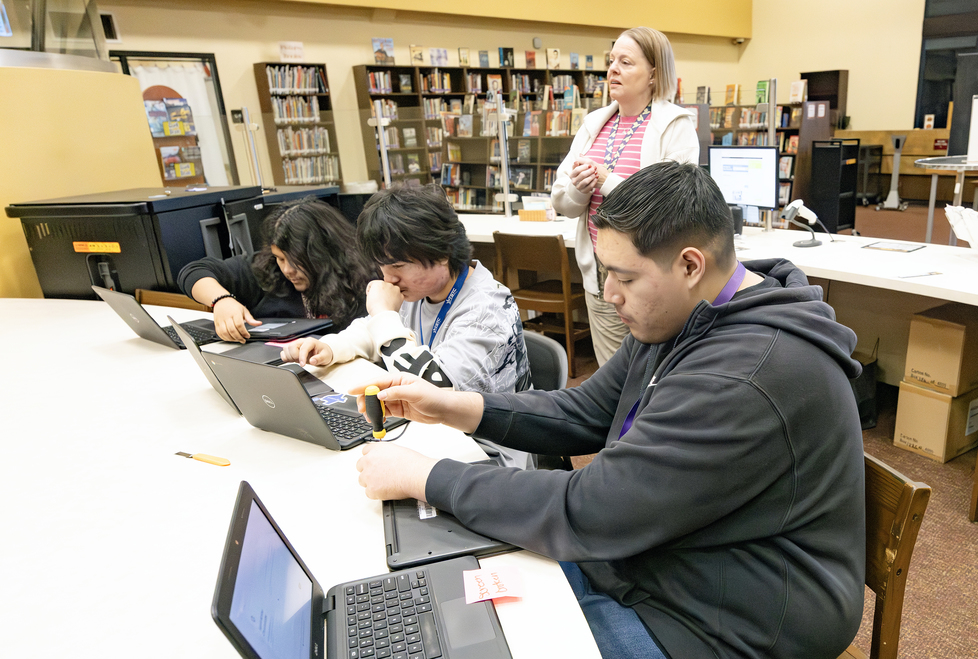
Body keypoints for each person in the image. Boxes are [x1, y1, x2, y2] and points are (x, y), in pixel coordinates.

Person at [352, 162, 866, 659]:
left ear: (690, 266)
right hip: (660, 557)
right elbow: (585, 411)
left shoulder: (744, 376)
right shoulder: (687, 311)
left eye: (624, 277)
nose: (610, 294)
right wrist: (453, 406)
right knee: (464, 600)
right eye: (605, 273)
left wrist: (427, 477)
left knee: (490, 631)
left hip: (725, 619)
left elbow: (591, 509)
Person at [280, 184, 533, 468]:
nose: (388, 278)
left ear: (442, 252)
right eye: (382, 266)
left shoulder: (487, 308)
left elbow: (432, 389)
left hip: (490, 454)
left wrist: (383, 313)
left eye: (398, 266)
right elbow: (373, 330)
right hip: (438, 436)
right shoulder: (421, 290)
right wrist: (330, 347)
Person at [552, 26, 699, 366]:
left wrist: (606, 181)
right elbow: (562, 202)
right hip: (602, 273)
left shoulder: (675, 126)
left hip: (652, 275)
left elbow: (672, 206)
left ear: (653, 74)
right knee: (611, 374)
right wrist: (579, 188)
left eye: (626, 62)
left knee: (654, 371)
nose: (613, 70)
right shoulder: (593, 125)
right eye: (611, 60)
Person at [178, 199, 375, 343]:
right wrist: (221, 300)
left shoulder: (363, 284)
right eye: (280, 258)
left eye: (297, 261)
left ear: (324, 253)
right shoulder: (266, 269)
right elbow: (194, 271)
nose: (287, 270)